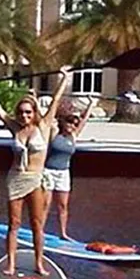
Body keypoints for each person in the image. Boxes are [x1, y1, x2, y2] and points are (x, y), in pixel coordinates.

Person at [0, 67, 71, 276]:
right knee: (14, 224)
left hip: (35, 179)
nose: (24, 115)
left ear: (34, 113)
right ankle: (11, 264)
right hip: (15, 179)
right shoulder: (15, 127)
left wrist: (64, 80)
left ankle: (39, 263)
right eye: (21, 112)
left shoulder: (45, 126)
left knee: (37, 225)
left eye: (28, 112)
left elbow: (56, 100)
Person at [43, 96, 98, 241]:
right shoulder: (54, 132)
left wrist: (91, 104)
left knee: (63, 206)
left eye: (74, 124)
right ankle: (39, 230)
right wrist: (35, 99)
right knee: (45, 205)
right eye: (70, 122)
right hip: (48, 171)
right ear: (63, 121)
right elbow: (49, 115)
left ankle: (63, 233)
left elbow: (84, 120)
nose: (72, 125)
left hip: (63, 173)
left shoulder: (73, 135)